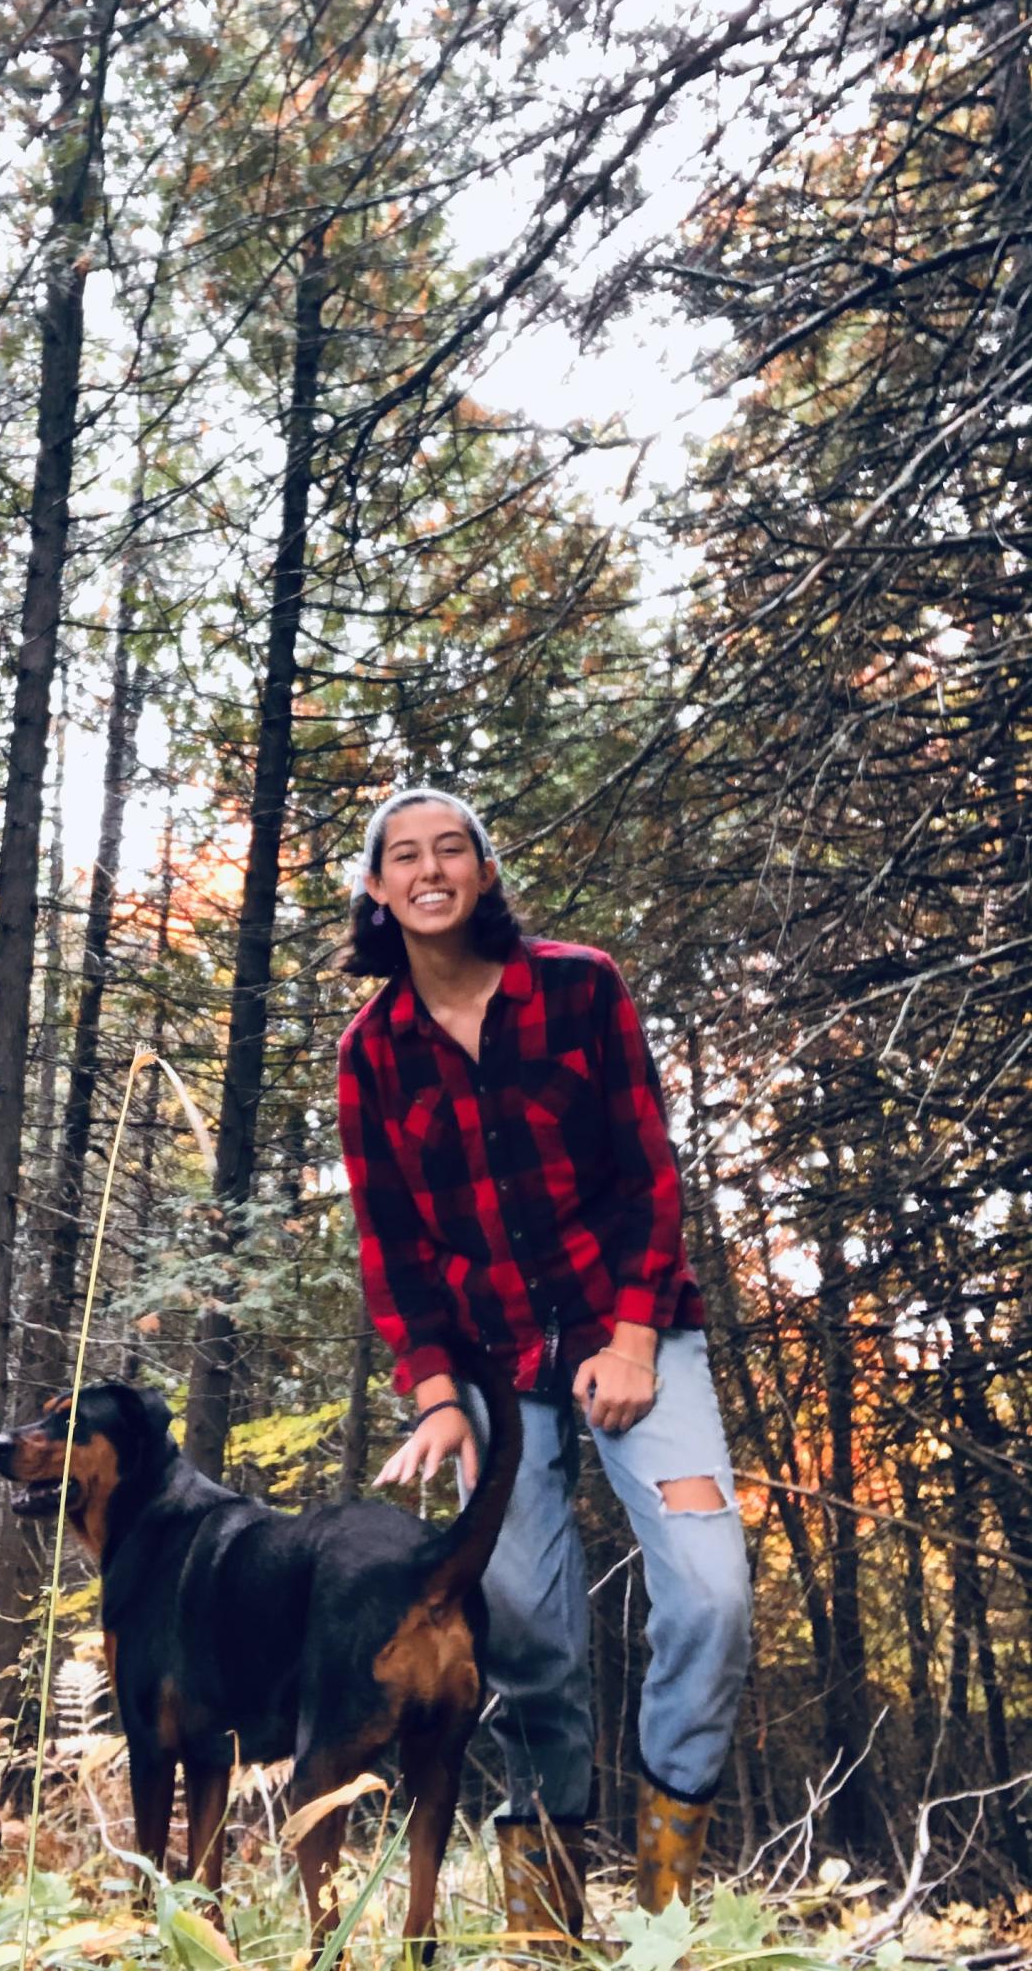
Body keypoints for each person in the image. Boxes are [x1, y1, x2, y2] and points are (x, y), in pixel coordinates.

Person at [336, 786, 751, 1940]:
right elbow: (392, 1244)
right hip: (486, 1374)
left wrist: (629, 1337)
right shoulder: (369, 1053)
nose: (429, 870)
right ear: (378, 890)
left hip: (636, 1332)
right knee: (519, 1630)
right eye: (403, 857)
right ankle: (545, 1925)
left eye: (450, 848)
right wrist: (435, 1397)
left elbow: (649, 1172)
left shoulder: (580, 984)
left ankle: (663, 1912)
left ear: (481, 869)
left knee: (712, 1595)